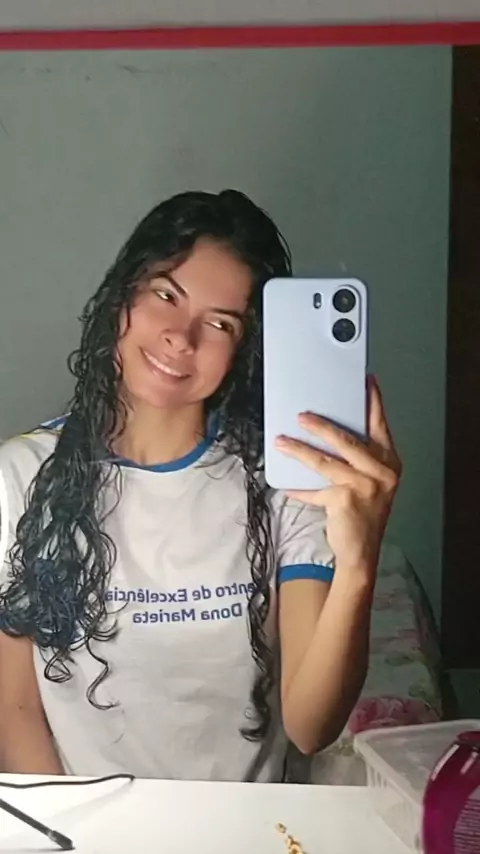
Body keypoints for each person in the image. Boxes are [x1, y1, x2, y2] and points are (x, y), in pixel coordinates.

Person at [0, 190, 401, 782]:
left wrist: (360, 563)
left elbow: (311, 727)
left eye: (220, 323)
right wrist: (71, 827)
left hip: (250, 824)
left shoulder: (286, 482)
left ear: (243, 350)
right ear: (123, 296)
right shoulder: (19, 475)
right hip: (83, 823)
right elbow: (14, 708)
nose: (181, 337)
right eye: (166, 295)